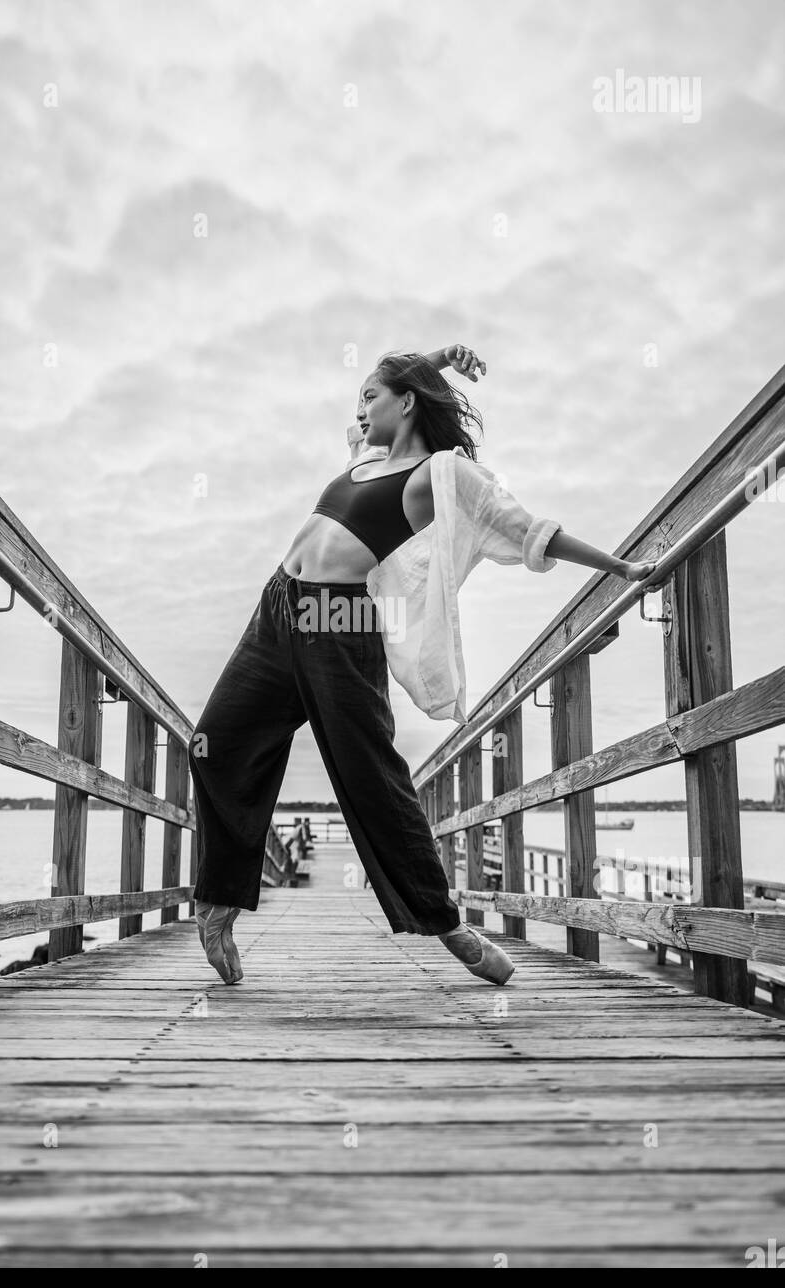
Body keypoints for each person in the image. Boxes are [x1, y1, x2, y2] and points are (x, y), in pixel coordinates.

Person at [188, 344, 656, 987]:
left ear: (404, 403)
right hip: (277, 607)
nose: (360, 411)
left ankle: (444, 923)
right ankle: (218, 904)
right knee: (213, 745)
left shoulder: (441, 476)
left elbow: (527, 529)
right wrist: (437, 358)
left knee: (369, 773)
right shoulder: (363, 456)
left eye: (371, 397)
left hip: (337, 620)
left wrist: (620, 568)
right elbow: (376, 400)